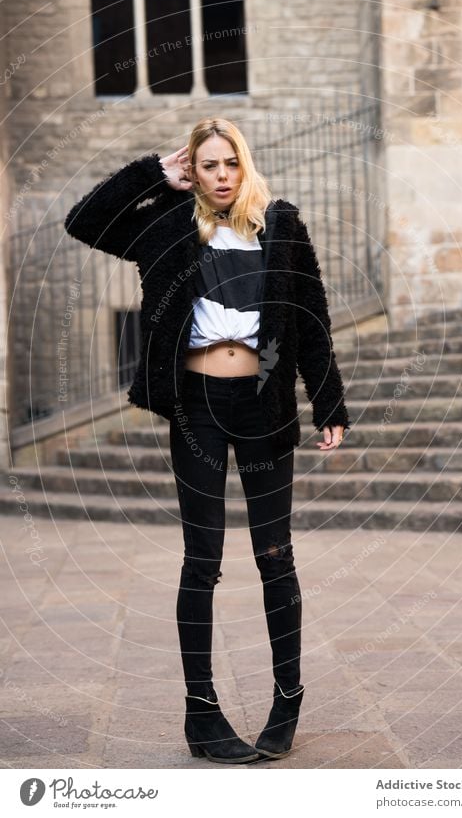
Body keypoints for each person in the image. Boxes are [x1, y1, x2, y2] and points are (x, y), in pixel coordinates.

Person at [64, 117, 351, 764]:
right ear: (191, 169)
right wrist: (149, 175)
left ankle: (287, 697)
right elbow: (83, 220)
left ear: (244, 166)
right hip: (196, 408)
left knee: (275, 554)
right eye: (207, 165)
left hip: (264, 408)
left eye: (230, 164)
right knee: (202, 561)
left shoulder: (281, 225)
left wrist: (328, 399)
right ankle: (202, 714)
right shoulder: (166, 227)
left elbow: (311, 318)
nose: (221, 176)